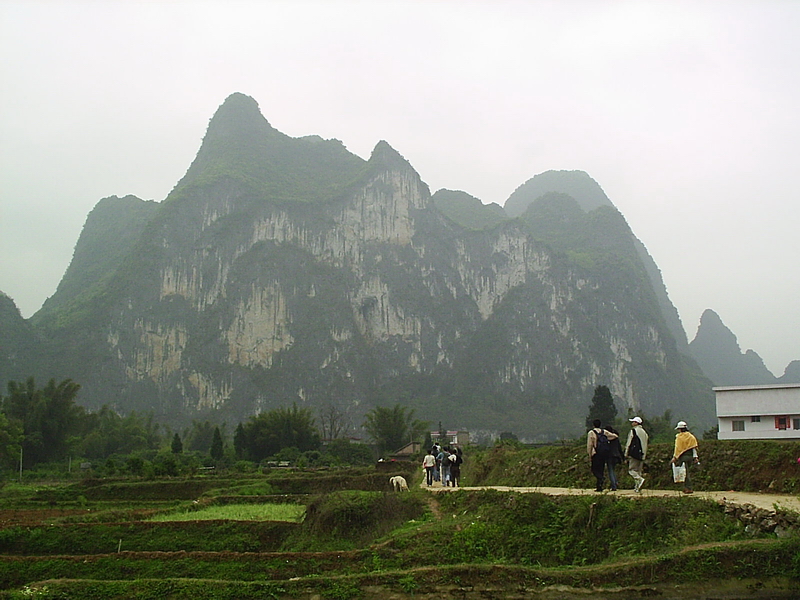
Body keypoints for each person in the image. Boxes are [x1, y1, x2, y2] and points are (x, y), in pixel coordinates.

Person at [587, 419, 618, 492]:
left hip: (596, 453)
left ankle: (600, 479)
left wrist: (589, 454)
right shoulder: (604, 432)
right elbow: (614, 436)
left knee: (594, 469)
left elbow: (590, 444)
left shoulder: (591, 433)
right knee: (601, 469)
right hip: (604, 454)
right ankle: (599, 486)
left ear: (593, 425)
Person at [670, 420, 699, 494]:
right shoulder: (691, 437)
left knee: (685, 473)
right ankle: (686, 487)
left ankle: (688, 488)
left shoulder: (679, 437)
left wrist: (675, 457)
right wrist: (695, 457)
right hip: (690, 457)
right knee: (686, 471)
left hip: (683, 457)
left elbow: (677, 448)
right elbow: (694, 448)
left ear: (680, 429)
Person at [624, 416, 649, 493]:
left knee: (632, 470)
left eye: (633, 422)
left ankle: (640, 480)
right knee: (638, 471)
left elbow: (629, 442)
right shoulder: (644, 432)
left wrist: (626, 453)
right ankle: (637, 487)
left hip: (634, 454)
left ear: (636, 423)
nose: (632, 423)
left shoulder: (633, 431)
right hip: (642, 454)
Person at [606, 425, 624, 491]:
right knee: (613, 470)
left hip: (609, 456)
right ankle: (616, 482)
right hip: (616, 456)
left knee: (611, 471)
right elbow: (619, 448)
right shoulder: (616, 438)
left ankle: (613, 486)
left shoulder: (606, 438)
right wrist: (623, 458)